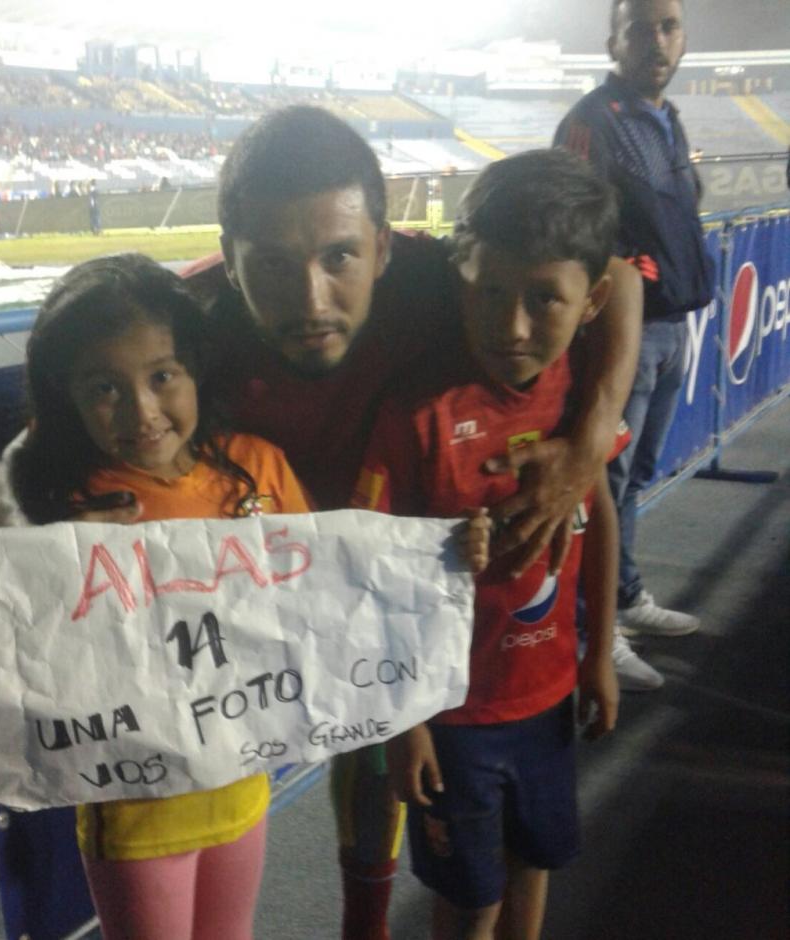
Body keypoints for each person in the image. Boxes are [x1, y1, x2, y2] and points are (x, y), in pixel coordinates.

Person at [0, 107, 643, 939]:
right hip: (283, 575)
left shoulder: (432, 275)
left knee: (381, 755)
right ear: (226, 261)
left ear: (383, 242)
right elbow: (26, 452)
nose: (311, 299)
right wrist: (33, 529)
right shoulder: (190, 317)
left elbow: (614, 276)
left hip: (384, 554)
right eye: (270, 264)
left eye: (339, 257)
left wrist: (591, 440)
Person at [0, 253, 312, 940]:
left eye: (162, 376)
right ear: (65, 395)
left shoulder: (257, 470)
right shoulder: (65, 505)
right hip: (133, 808)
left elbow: (316, 590)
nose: (142, 411)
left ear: (196, 368)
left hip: (243, 785)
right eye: (105, 388)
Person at [361, 149, 621, 940]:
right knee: (470, 896)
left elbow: (599, 514)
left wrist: (599, 652)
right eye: (490, 292)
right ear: (458, 276)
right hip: (454, 717)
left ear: (592, 301)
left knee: (533, 861)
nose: (512, 327)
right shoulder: (417, 416)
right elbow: (372, 576)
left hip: (545, 702)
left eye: (545, 299)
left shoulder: (578, 395)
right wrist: (406, 722)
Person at [554, 0, 712, 691]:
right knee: (606, 487)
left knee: (635, 476)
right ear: (613, 40)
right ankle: (593, 632)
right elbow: (568, 224)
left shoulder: (666, 119)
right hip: (628, 332)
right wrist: (623, 275)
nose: (658, 40)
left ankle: (624, 597)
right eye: (642, 27)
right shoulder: (593, 123)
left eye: (669, 27)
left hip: (673, 327)